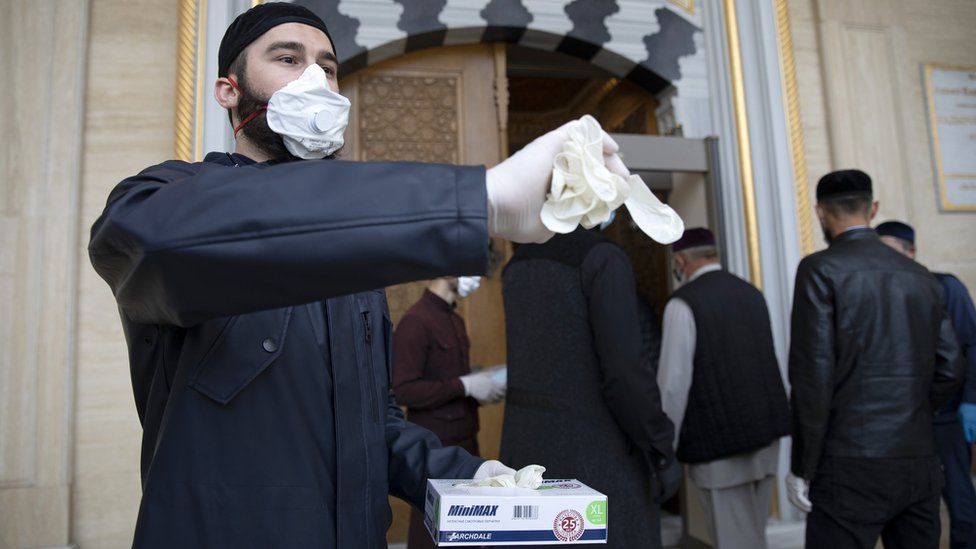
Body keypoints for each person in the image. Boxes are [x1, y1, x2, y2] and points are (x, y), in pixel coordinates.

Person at [86, 4, 630, 547]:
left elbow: (372, 424)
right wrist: (476, 200)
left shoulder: (353, 255)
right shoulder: (158, 199)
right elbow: (165, 245)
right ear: (229, 91)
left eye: (327, 65)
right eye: (287, 58)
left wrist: (469, 477)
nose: (315, 78)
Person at [786, 170, 963, 549]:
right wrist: (911, 412)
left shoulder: (819, 269)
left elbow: (811, 379)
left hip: (848, 464)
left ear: (820, 213)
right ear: (873, 208)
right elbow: (950, 366)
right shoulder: (920, 275)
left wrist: (802, 466)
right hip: (918, 459)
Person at [499, 227, 681, 549]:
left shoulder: (517, 264)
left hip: (527, 453)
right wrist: (660, 447)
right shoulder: (601, 259)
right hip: (597, 456)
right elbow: (624, 374)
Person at [657, 227, 789, 549]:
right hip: (765, 437)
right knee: (754, 535)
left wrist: (663, 445)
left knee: (732, 540)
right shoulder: (750, 292)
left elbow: (673, 385)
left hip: (717, 448)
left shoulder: (683, 304)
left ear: (679, 260)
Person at [876, 220, 976, 549]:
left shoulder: (945, 286)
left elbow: (972, 345)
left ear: (912, 250)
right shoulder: (878, 294)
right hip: (902, 422)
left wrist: (971, 401)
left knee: (959, 499)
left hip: (946, 415)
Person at [392, 275, 505, 549]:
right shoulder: (416, 321)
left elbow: (451, 385)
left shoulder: (454, 320)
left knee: (464, 535)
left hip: (466, 442)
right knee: (430, 535)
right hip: (435, 449)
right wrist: (464, 385)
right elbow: (403, 390)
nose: (476, 277)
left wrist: (480, 389)